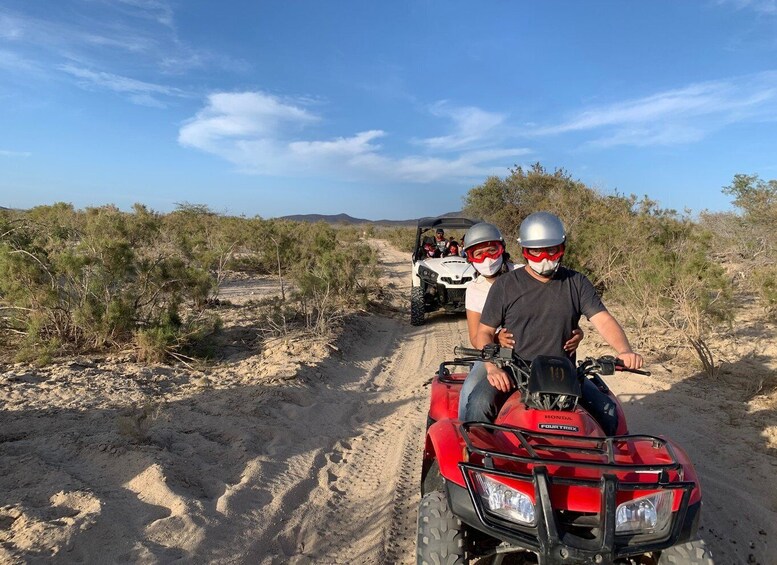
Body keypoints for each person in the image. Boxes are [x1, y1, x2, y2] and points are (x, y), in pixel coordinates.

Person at [465, 212, 643, 435]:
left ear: (563, 248)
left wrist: (625, 350)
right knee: (479, 404)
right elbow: (484, 332)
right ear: (524, 251)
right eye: (536, 252)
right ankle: (474, 461)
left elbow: (603, 319)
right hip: (515, 369)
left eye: (552, 250)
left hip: (564, 374)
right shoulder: (505, 285)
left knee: (608, 411)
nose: (544, 258)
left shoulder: (577, 283)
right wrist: (492, 366)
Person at [457, 222, 584, 420]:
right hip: (495, 353)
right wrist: (496, 340)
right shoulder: (474, 289)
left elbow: (554, 308)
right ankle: (468, 440)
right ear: (469, 258)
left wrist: (577, 331)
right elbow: (476, 336)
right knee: (471, 393)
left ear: (503, 249)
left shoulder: (525, 272)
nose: (487, 259)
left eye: (492, 250)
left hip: (537, 354)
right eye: (478, 254)